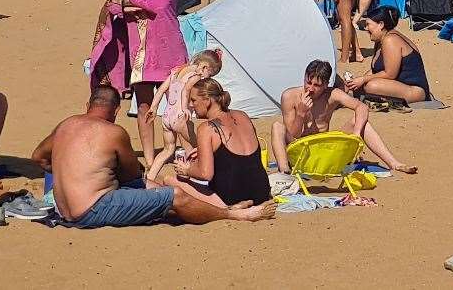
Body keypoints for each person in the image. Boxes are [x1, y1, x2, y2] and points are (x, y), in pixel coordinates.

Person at [32, 85, 275, 227]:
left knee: (153, 186)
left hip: (65, 209)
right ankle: (233, 214)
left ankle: (206, 207)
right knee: (174, 195)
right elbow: (131, 175)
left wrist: (69, 173)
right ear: (117, 110)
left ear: (88, 104)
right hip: (91, 210)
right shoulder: (113, 132)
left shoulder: (66, 125)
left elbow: (39, 158)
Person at [86, 0, 187, 164]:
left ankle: (188, 153)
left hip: (167, 46)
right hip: (140, 50)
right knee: (144, 106)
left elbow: (158, 2)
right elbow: (111, 2)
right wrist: (126, 4)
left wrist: (126, 0)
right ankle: (150, 159)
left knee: (177, 106)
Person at [272, 60, 416, 175]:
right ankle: (284, 173)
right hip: (299, 151)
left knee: (360, 121)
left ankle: (394, 163)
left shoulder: (332, 94)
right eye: (308, 82)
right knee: (277, 127)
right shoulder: (290, 96)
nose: (310, 88)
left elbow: (362, 107)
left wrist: (356, 134)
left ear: (326, 85)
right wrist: (301, 114)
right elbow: (293, 135)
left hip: (323, 150)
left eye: (317, 85)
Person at [166, 78, 272, 208]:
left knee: (170, 181)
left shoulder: (207, 128)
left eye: (193, 100)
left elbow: (205, 174)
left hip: (230, 196)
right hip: (261, 192)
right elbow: (238, 158)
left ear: (207, 101)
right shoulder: (243, 115)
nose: (191, 105)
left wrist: (187, 169)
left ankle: (229, 208)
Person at [146, 49, 222, 170]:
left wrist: (153, 107)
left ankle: (150, 177)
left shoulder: (176, 72)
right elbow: (186, 89)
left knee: (167, 150)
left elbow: (161, 90)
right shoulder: (196, 76)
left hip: (167, 117)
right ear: (204, 67)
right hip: (180, 117)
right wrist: (184, 108)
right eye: (210, 74)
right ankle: (197, 177)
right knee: (197, 148)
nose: (208, 78)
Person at [346, 6, 432, 103]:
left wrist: (363, 79)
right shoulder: (381, 39)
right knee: (361, 85)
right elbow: (376, 70)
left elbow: (390, 74)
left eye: (368, 24)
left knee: (371, 86)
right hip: (398, 85)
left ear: (381, 24)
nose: (366, 28)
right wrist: (358, 81)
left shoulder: (390, 40)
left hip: (415, 90)